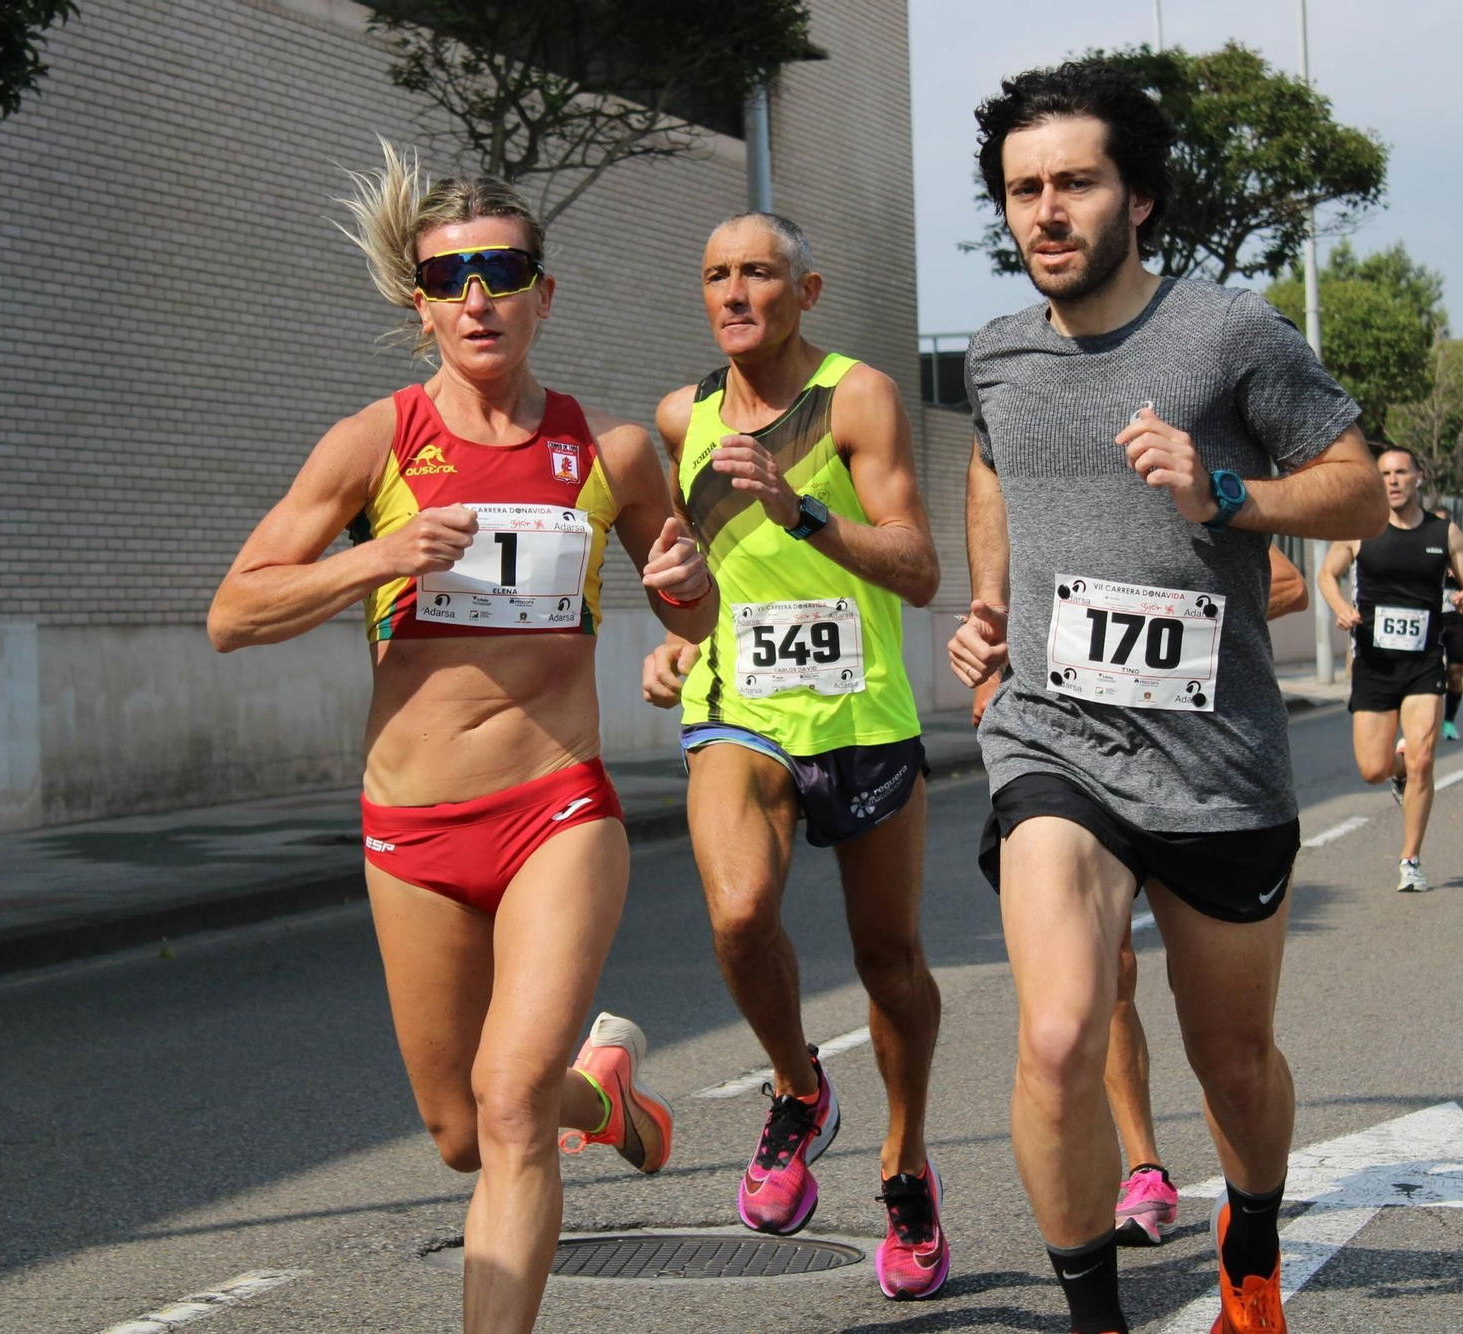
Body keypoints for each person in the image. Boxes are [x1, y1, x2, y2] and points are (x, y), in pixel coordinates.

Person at [207, 147, 717, 1334]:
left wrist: (686, 584)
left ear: (546, 291)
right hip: (412, 826)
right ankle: (602, 1096)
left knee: (503, 1102)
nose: (478, 297)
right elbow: (234, 612)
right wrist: (373, 555)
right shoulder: (371, 443)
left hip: (556, 806)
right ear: (421, 302)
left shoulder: (613, 450)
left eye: (503, 270)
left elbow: (687, 602)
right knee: (456, 1132)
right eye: (452, 278)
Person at [950, 58, 1388, 1334]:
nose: (1043, 210)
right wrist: (989, 605)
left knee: (1232, 1065)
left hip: (1215, 757)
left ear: (1135, 198)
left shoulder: (1229, 334)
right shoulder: (995, 354)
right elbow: (993, 467)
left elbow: (1355, 485)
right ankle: (1098, 1318)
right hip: (1053, 739)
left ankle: (1248, 1245)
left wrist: (1226, 494)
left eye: (1072, 183)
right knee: (1057, 1034)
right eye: (1022, 188)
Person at [640, 212, 950, 1300]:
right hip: (743, 709)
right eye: (715, 273)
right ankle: (796, 1086)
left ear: (804, 291)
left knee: (890, 963)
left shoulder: (854, 398)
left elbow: (916, 569)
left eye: (758, 274)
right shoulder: (682, 415)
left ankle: (905, 1168)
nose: (733, 293)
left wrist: (806, 510)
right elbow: (700, 583)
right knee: (735, 913)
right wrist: (675, 639)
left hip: (861, 715)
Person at [970, 543, 1308, 1254]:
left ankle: (1248, 1232)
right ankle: (1144, 1164)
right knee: (1103, 971)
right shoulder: (1045, 484)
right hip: (1076, 757)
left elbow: (1287, 581)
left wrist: (1189, 615)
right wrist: (1003, 638)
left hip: (1197, 763)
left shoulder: (1174, 498)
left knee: (1233, 1054)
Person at [1318, 449, 1463, 891]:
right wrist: (1341, 608)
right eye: (1384, 473)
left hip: (1424, 661)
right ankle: (1398, 773)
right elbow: (1327, 575)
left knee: (1425, 757)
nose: (1392, 480)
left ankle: (1410, 859)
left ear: (1417, 478)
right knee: (1373, 769)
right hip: (1373, 663)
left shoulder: (1443, 531)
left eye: (1400, 472)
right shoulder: (1360, 528)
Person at [1431, 508, 1463, 742]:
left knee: (1455, 673)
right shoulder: (1423, 551)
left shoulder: (1462, 552)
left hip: (1457, 619)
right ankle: (1431, 722)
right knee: (1433, 673)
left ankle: (1449, 720)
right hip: (1432, 619)